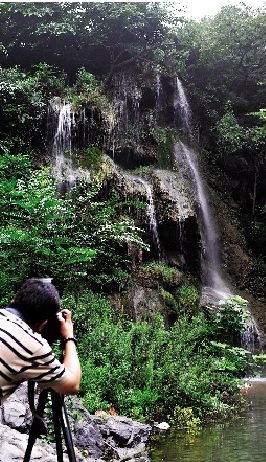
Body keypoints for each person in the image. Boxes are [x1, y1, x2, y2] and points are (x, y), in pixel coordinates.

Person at [0, 278, 81, 403]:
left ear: (13, 302)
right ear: (42, 324)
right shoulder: (31, 345)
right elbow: (72, 385)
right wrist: (69, 337)